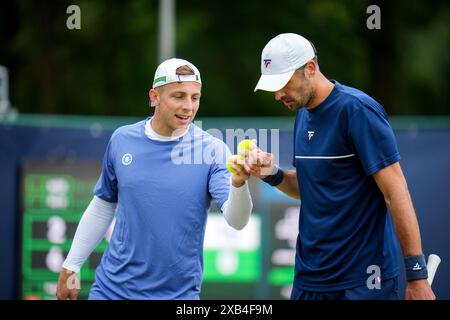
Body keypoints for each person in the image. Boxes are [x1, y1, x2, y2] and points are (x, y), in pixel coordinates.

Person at [248, 33, 435, 300]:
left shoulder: (358, 110)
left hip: (364, 282)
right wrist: (271, 174)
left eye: (284, 84)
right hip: (309, 280)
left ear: (310, 68)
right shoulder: (302, 112)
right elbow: (312, 188)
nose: (278, 95)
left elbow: (396, 193)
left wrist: (417, 275)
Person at [56, 58, 253, 300]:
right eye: (178, 96)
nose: (188, 107)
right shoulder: (122, 140)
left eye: (195, 97)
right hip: (110, 291)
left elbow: (238, 220)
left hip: (177, 297)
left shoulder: (213, 150)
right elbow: (103, 205)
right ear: (154, 97)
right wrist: (72, 266)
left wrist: (239, 183)